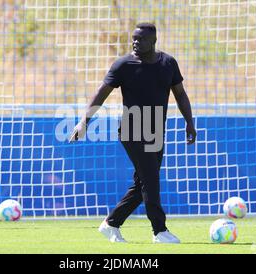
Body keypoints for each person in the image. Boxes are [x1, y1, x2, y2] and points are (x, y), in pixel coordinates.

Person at [69, 23, 196, 244]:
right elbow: (101, 93)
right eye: (134, 38)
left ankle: (111, 224)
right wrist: (84, 122)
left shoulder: (168, 63)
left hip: (156, 131)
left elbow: (181, 94)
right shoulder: (123, 65)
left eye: (141, 39)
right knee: (151, 181)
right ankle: (160, 231)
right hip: (132, 130)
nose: (135, 42)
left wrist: (189, 123)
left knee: (143, 184)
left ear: (153, 41)